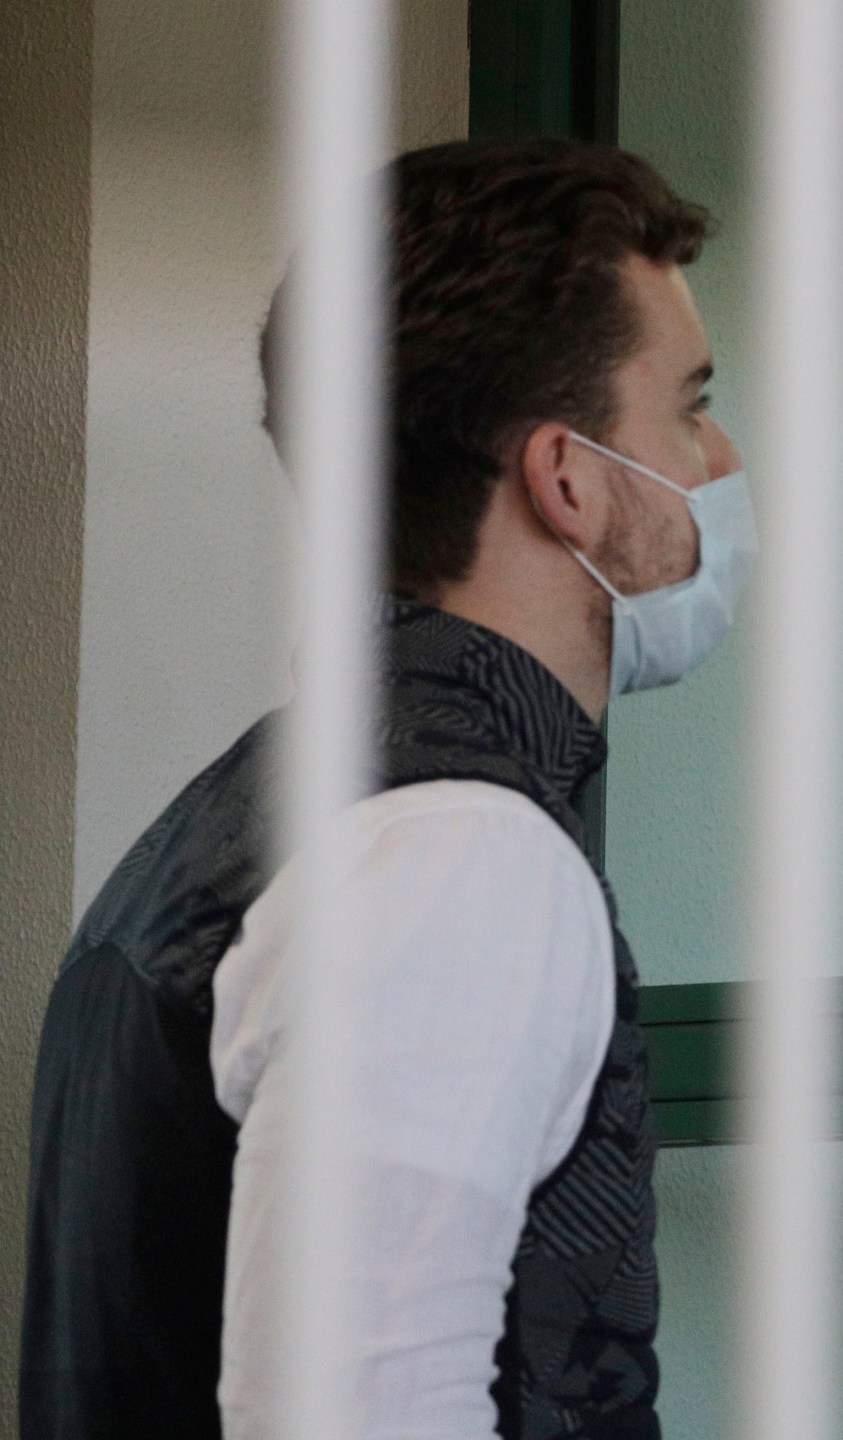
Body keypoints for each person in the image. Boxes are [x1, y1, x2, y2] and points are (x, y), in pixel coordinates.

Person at [21, 138, 747, 1440]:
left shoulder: (248, 818)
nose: (721, 458)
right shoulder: (458, 853)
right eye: (689, 405)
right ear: (568, 477)